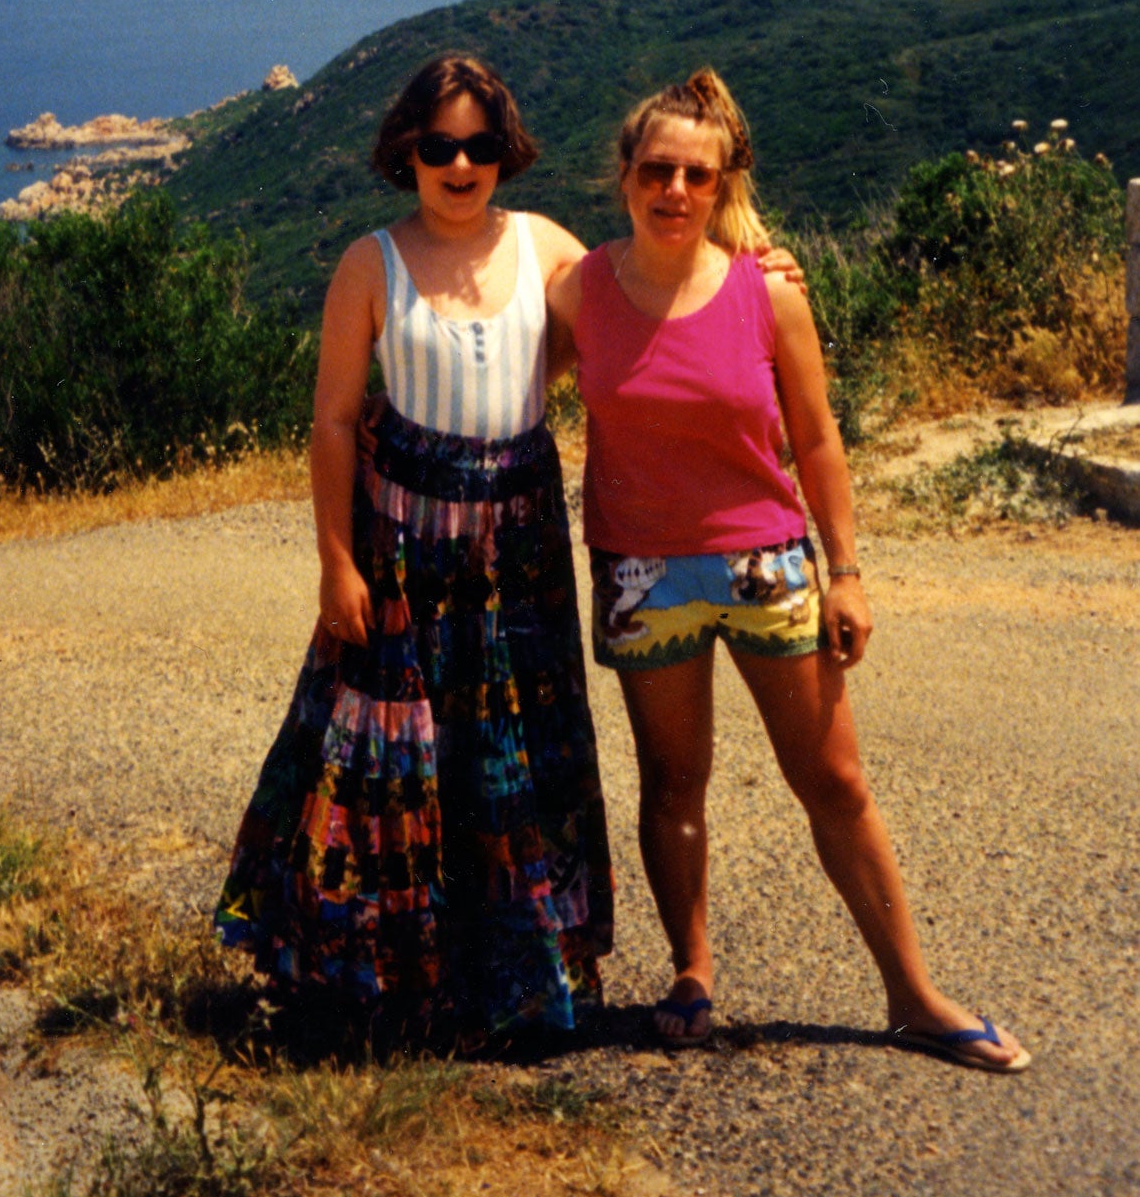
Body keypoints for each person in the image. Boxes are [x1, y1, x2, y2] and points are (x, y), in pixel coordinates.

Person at [548, 69, 1031, 1073]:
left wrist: (845, 569)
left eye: (693, 173)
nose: (672, 190)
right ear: (623, 178)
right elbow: (503, 367)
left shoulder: (767, 293)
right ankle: (691, 970)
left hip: (766, 562)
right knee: (673, 781)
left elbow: (817, 439)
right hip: (641, 572)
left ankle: (912, 992)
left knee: (834, 781)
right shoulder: (581, 291)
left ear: (722, 181)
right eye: (654, 171)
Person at [215, 53, 614, 1044]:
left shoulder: (545, 246)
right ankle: (379, 988)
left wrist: (756, 262)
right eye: (441, 145)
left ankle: (521, 988)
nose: (461, 163)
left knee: (510, 762)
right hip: (398, 555)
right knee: (393, 765)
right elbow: (333, 423)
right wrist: (334, 561)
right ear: (408, 151)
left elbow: (647, 291)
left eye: (480, 144)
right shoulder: (371, 262)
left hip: (515, 553)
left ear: (503, 152)